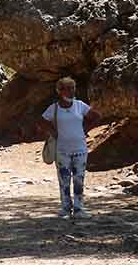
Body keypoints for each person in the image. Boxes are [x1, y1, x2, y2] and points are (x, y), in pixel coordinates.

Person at [39, 77, 99, 220]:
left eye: (73, 88)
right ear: (59, 91)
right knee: (64, 180)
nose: (71, 91)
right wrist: (53, 132)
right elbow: (41, 121)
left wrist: (85, 129)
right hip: (62, 150)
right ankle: (65, 209)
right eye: (67, 88)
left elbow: (96, 116)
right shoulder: (53, 108)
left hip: (80, 149)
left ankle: (79, 209)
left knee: (79, 179)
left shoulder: (79, 105)